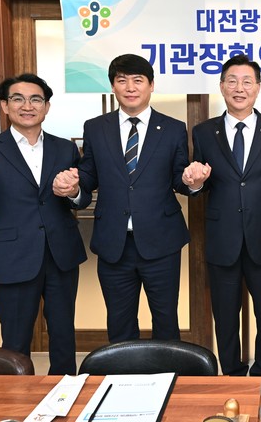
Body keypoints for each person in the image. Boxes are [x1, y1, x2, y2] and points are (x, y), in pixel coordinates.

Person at [53, 53, 191, 343]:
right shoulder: (95, 127)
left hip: (161, 241)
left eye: (138, 80)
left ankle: (169, 370)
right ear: (113, 86)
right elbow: (88, 176)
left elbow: (179, 179)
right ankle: (124, 372)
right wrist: (74, 189)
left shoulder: (173, 128)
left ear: (151, 85)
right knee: (119, 322)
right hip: (113, 242)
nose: (130, 87)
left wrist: (194, 182)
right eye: (122, 80)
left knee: (166, 319)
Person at [0, 73, 86, 375]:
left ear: (46, 107)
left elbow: (79, 201)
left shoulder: (65, 149)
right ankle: (17, 396)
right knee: (15, 341)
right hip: (13, 257)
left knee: (63, 336)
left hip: (61, 254)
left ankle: (64, 392)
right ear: (5, 106)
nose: (27, 106)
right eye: (18, 99)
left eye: (35, 99)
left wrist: (74, 192)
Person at [183, 54, 261, 380]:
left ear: (257, 87)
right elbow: (199, 182)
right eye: (232, 81)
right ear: (222, 86)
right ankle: (232, 374)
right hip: (222, 237)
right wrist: (194, 183)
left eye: (247, 82)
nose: (239, 88)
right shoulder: (204, 132)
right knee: (225, 315)